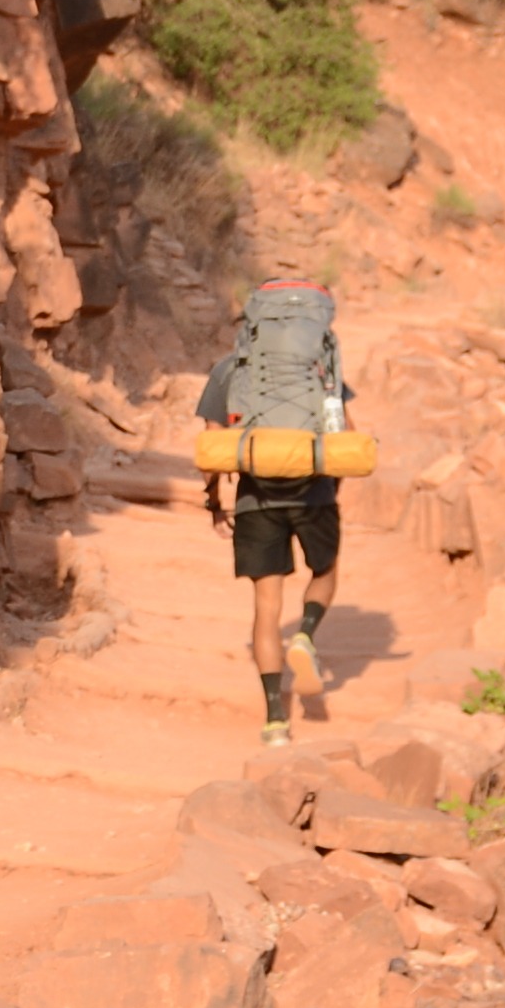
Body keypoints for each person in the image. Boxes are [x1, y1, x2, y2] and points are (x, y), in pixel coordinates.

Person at [202, 278, 354, 739]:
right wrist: (330, 485)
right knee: (325, 572)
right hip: (315, 492)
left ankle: (274, 719)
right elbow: (345, 432)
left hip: (255, 497)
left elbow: (212, 444)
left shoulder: (230, 371)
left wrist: (213, 502)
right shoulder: (321, 370)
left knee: (266, 607)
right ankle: (307, 633)